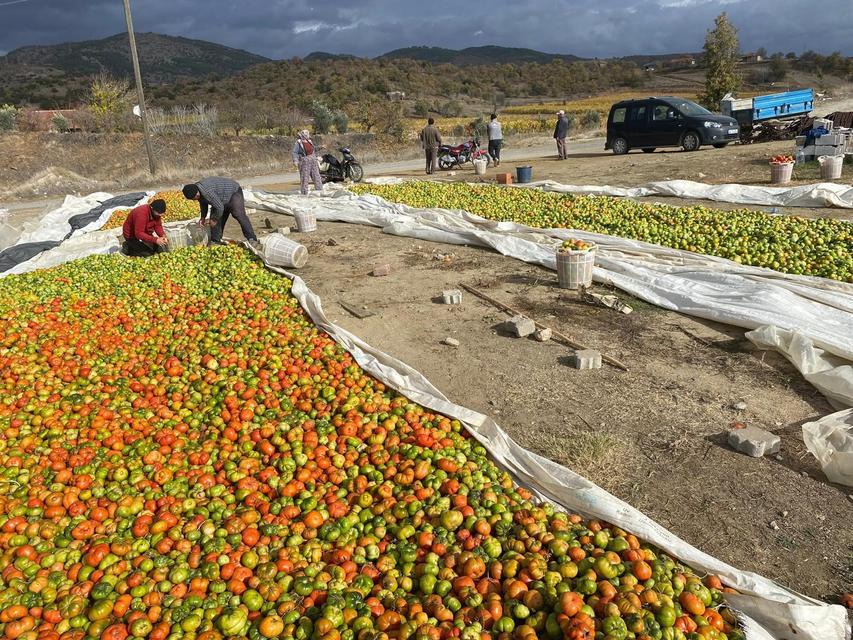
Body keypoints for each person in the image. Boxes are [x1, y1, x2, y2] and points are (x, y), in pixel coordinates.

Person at [181, 178, 261, 249]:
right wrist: (203, 218)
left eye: (195, 198)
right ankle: (216, 241)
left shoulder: (207, 192)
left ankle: (252, 239)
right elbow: (203, 203)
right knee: (216, 216)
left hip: (233, 192)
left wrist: (214, 219)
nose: (195, 200)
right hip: (221, 198)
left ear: (197, 193)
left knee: (238, 214)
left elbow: (219, 207)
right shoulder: (196, 191)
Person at [292, 130, 323, 195]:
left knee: (317, 177)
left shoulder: (309, 141)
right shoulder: (299, 143)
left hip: (313, 161)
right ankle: (304, 193)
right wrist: (295, 160)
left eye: (307, 134)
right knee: (305, 178)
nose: (307, 135)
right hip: (305, 162)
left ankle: (320, 191)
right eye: (305, 134)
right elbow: (294, 152)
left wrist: (321, 147)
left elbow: (313, 149)